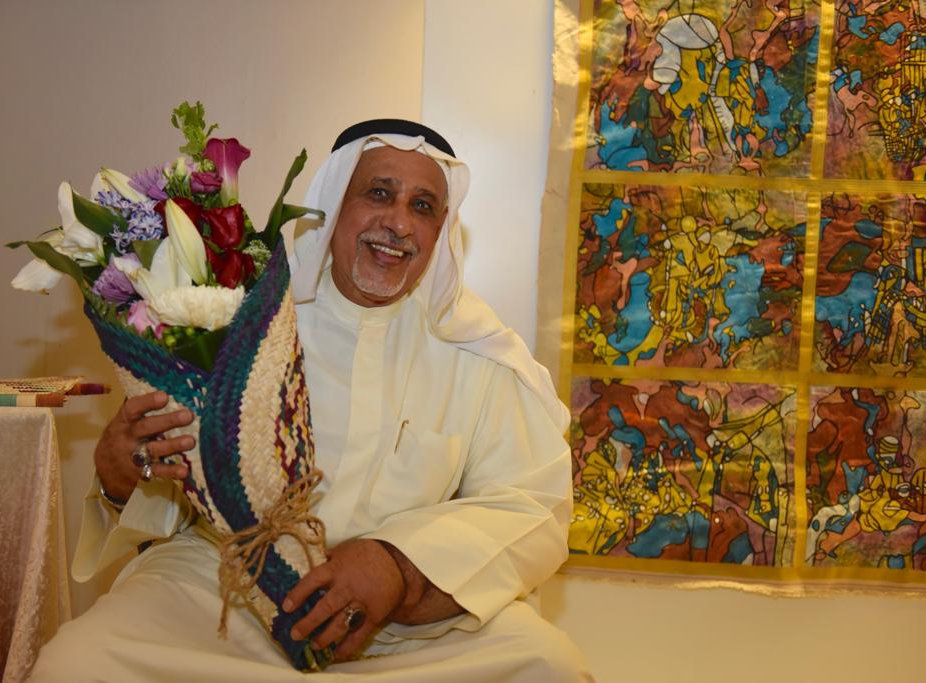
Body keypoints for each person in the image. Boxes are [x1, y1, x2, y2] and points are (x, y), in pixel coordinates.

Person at [29, 119, 591, 682]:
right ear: (333, 206)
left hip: (404, 626)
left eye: (422, 206)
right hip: (228, 591)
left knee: (549, 666)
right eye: (379, 194)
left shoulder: (479, 351)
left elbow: (531, 507)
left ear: (440, 229)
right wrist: (119, 476)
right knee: (76, 665)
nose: (398, 223)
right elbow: (167, 489)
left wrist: (398, 565)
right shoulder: (242, 319)